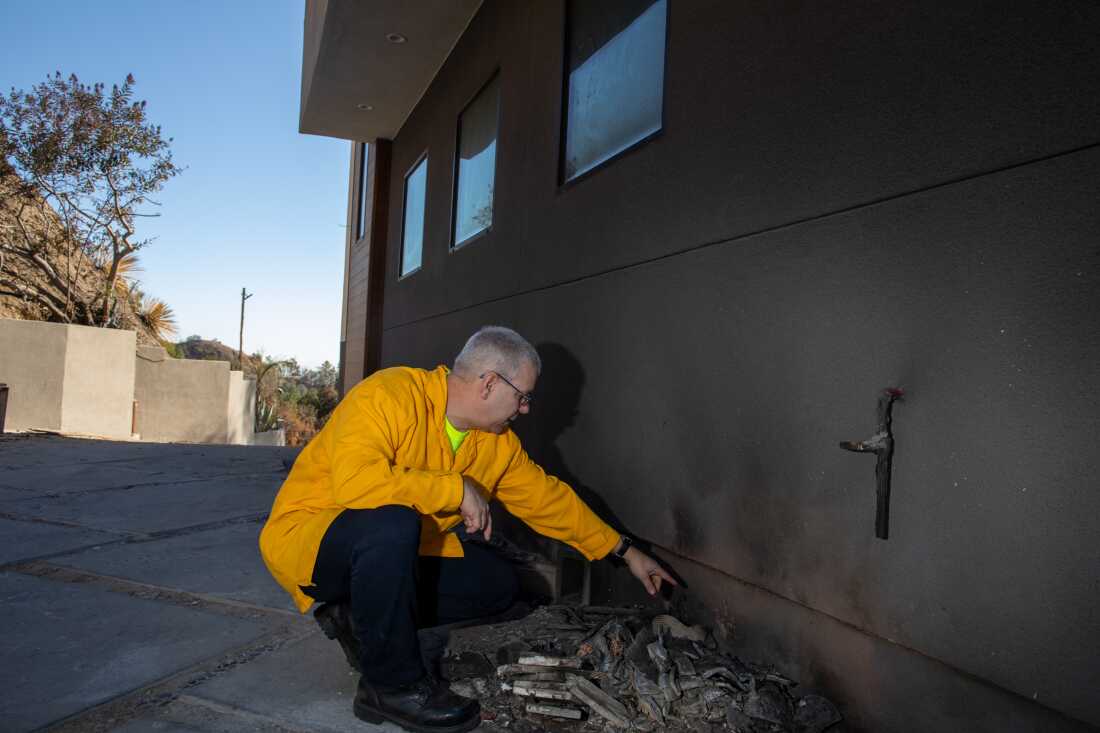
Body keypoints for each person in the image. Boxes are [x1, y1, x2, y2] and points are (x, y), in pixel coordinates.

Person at [259, 326, 675, 732]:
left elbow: (549, 500)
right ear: (489, 383)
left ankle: (358, 617)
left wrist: (624, 550)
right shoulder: (389, 394)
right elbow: (356, 483)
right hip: (312, 539)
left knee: (494, 584)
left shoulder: (495, 443)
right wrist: (454, 488)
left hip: (387, 553)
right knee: (393, 520)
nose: (525, 408)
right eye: (523, 396)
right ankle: (389, 687)